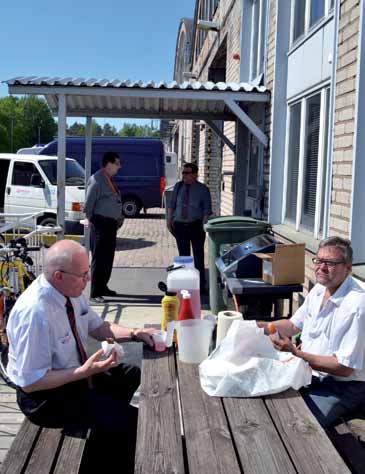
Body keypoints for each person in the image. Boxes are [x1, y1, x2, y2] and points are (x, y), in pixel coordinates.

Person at [6, 240, 158, 469]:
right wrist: (83, 372)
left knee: (129, 374)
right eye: (83, 274)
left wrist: (136, 333)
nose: (88, 279)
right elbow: (31, 383)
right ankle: (106, 441)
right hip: (44, 399)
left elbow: (97, 327)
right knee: (131, 422)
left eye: (88, 272)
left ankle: (101, 435)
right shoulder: (35, 314)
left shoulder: (69, 290)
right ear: (58, 275)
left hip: (74, 376)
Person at [258, 236, 365, 429]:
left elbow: (344, 368)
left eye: (330, 263)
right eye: (319, 260)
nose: (321, 267)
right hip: (310, 373)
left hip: (342, 386)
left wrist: (295, 352)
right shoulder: (319, 289)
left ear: (348, 268)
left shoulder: (357, 306)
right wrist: (257, 326)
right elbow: (292, 326)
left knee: (297, 424)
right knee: (264, 397)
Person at [84, 151, 123, 303]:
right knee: (99, 258)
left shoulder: (108, 179)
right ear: (108, 164)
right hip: (100, 223)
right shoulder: (97, 179)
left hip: (110, 224)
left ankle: (103, 286)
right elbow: (88, 203)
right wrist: (89, 218)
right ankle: (94, 293)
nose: (119, 167)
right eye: (117, 163)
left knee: (108, 257)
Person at [167, 162, 212, 294]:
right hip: (180, 225)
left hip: (196, 225)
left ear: (194, 174)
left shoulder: (202, 189)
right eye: (183, 173)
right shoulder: (178, 186)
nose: (184, 176)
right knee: (184, 256)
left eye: (187, 173)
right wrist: (169, 220)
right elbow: (171, 205)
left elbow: (206, 210)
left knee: (198, 256)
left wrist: (204, 226)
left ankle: (200, 286)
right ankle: (186, 284)